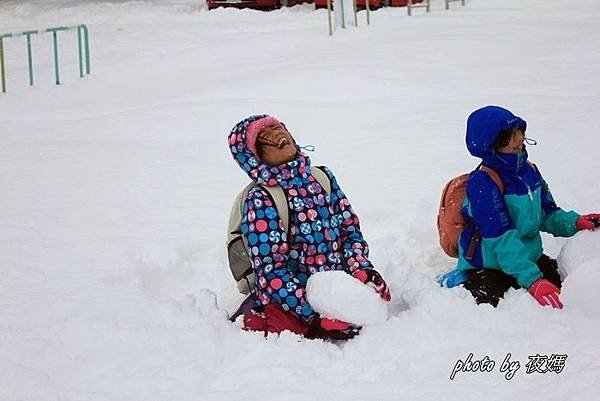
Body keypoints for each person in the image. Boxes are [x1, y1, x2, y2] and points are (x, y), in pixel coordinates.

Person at [228, 114, 391, 339]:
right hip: (290, 299)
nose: (276, 134)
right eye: (265, 137)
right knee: (282, 329)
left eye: (278, 128)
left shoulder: (322, 177)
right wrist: (311, 316)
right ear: (256, 158)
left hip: (336, 288)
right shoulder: (261, 198)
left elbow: (349, 230)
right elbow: (271, 268)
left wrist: (361, 270)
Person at [441, 105, 599, 308]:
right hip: (489, 264)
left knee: (559, 284)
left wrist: (575, 222)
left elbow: (547, 213)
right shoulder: (482, 183)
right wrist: (532, 280)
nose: (518, 140)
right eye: (508, 137)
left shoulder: (530, 171)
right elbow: (501, 237)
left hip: (525, 257)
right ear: (490, 146)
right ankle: (460, 280)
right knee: (497, 303)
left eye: (519, 131)